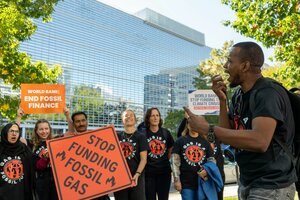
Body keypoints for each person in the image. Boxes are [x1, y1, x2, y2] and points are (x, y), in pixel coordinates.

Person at [184, 41, 297, 199]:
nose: (225, 66)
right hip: (247, 182)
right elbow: (227, 136)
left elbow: (260, 141)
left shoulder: (267, 93)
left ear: (245, 66)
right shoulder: (238, 96)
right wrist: (222, 102)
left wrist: (207, 129)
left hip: (272, 185)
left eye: (230, 61)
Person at [171, 114, 222, 200]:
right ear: (187, 125)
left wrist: (207, 170)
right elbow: (174, 162)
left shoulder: (205, 142)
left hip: (202, 182)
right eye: (191, 123)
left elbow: (212, 160)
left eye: (195, 123)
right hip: (186, 183)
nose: (193, 125)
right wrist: (177, 180)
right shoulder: (180, 141)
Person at [64, 109, 110, 200]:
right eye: (77, 121)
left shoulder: (95, 136)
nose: (81, 123)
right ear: (73, 124)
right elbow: (70, 132)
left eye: (83, 120)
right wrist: (67, 116)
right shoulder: (69, 138)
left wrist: (109, 132)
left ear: (87, 121)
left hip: (97, 184)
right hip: (80, 186)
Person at [114, 109, 149, 200]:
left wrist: (137, 174)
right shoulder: (116, 136)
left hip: (136, 177)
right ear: (122, 119)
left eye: (131, 115)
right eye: (126, 115)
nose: (128, 117)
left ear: (135, 119)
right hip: (120, 178)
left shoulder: (141, 137)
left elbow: (143, 159)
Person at [142, 107, 174, 200]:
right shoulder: (143, 134)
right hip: (148, 173)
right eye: (152, 115)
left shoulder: (166, 133)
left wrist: (166, 158)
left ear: (160, 118)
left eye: (157, 115)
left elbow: (171, 147)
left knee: (163, 198)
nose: (155, 118)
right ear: (148, 118)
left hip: (164, 172)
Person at [0, 123, 36, 200]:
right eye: (11, 131)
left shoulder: (25, 149)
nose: (14, 134)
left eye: (16, 131)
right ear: (5, 133)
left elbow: (35, 163)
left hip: (21, 194)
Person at [32, 119, 58, 200]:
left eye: (46, 128)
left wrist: (67, 115)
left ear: (50, 129)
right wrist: (45, 157)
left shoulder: (56, 141)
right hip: (42, 182)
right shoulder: (32, 145)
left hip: (57, 181)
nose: (44, 131)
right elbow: (37, 166)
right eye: (41, 129)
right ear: (36, 131)